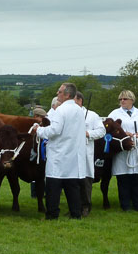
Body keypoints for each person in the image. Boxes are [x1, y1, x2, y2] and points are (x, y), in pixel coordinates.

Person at [30, 82, 87, 220]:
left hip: (59, 154)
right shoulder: (79, 110)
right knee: (72, 187)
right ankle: (76, 214)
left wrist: (39, 130)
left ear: (67, 94)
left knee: (53, 187)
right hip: (74, 154)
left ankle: (52, 214)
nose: (57, 93)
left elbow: (54, 130)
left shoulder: (60, 110)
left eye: (60, 91)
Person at [106, 90, 138, 211]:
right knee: (123, 179)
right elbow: (108, 129)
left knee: (137, 180)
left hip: (137, 149)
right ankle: (125, 205)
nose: (122, 101)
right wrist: (123, 135)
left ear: (132, 100)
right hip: (122, 151)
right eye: (120, 99)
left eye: (125, 99)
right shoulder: (115, 114)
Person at [74, 91, 106, 216]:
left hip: (86, 152)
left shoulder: (92, 115)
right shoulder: (66, 114)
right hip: (70, 153)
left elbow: (101, 131)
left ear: (80, 101)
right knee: (72, 182)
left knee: (85, 181)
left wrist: (88, 133)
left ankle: (86, 206)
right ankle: (74, 207)